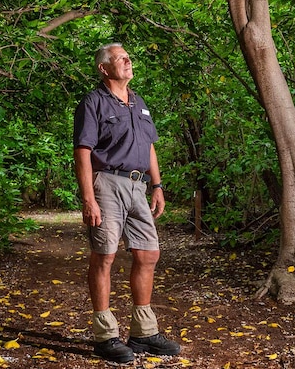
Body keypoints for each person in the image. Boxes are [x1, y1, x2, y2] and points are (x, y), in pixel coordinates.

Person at [73, 43, 182, 363]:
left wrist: (157, 185)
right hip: (106, 183)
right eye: (119, 58)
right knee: (104, 255)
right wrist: (88, 198)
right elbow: (82, 151)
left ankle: (143, 332)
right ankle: (105, 336)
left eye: (127, 56)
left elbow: (149, 146)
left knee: (149, 253)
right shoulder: (93, 102)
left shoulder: (139, 102)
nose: (127, 60)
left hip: (138, 186)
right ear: (104, 68)